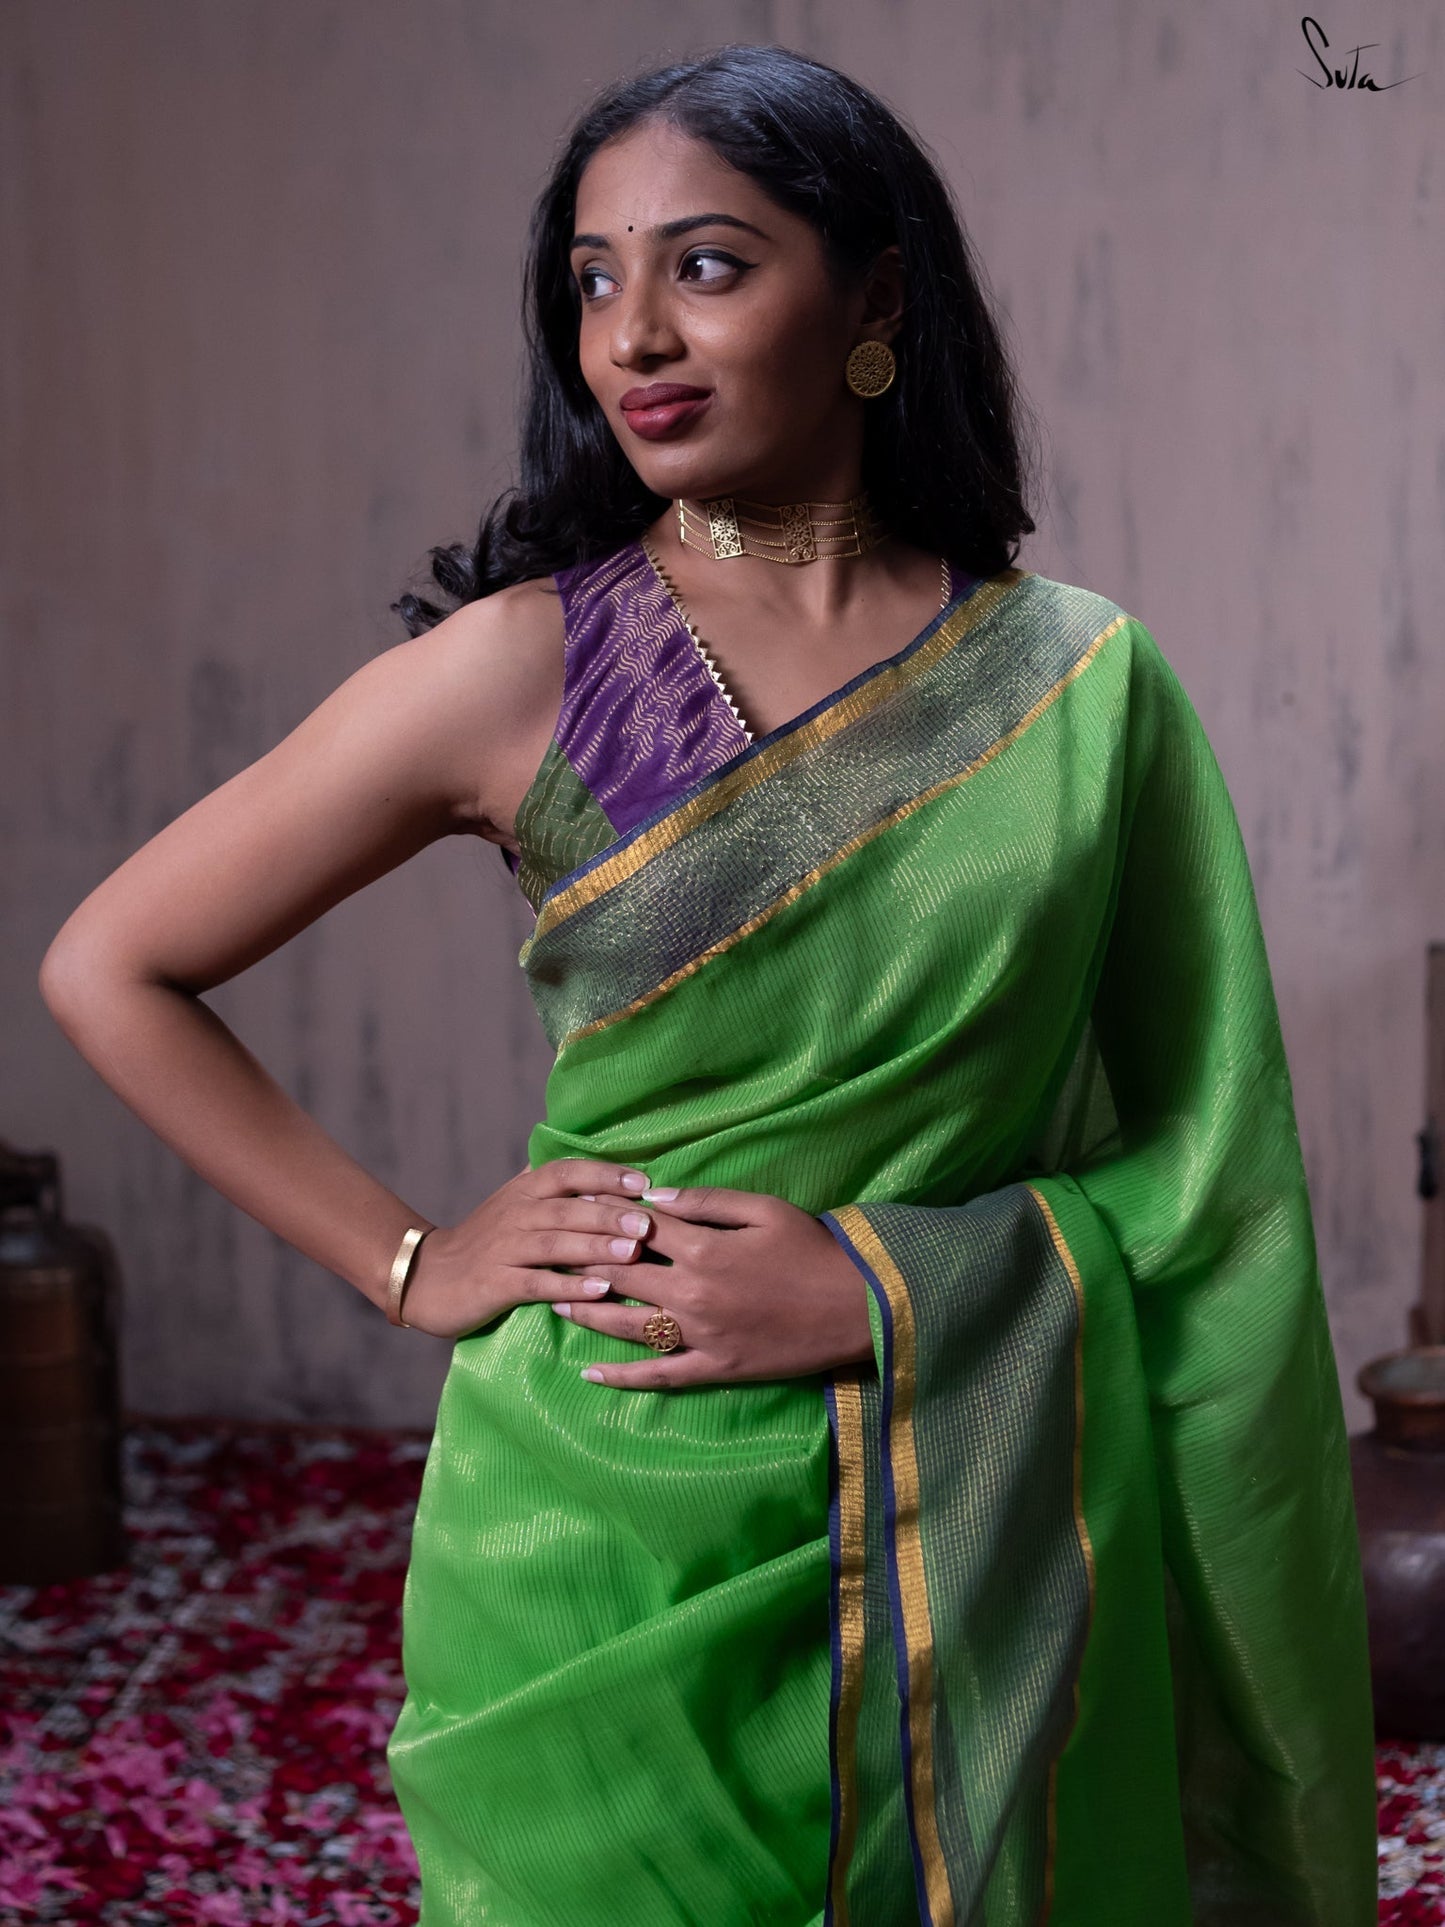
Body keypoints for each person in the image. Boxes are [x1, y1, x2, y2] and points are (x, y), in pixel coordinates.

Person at [39, 41, 1377, 1927]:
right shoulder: (527, 670)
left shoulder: (1080, 690)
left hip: (972, 1512)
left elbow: (1203, 1174)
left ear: (876, 300)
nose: (636, 337)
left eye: (709, 266)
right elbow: (112, 965)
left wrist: (897, 1281)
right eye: (594, 280)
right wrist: (409, 1261)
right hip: (598, 1504)